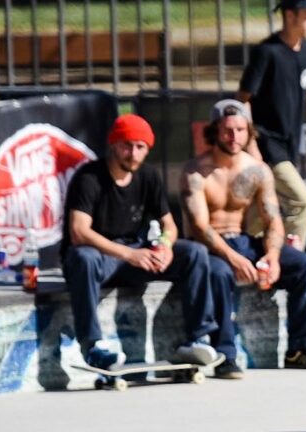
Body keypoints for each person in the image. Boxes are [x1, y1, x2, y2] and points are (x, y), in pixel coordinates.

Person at [183, 98, 306, 374]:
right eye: (228, 130)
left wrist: (272, 257)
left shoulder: (257, 170)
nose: (234, 136)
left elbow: (273, 219)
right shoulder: (196, 172)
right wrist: (234, 259)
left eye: (241, 130)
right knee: (219, 273)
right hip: (211, 248)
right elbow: (199, 227)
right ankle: (224, 355)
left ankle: (301, 347)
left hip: (242, 240)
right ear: (215, 131)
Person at [60, 113, 219, 372]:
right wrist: (128, 254)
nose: (133, 154)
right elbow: (79, 231)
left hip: (133, 254)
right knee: (83, 257)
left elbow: (170, 225)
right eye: (126, 145)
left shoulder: (148, 176)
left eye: (140, 147)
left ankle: (198, 337)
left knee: (195, 253)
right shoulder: (89, 177)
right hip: (102, 258)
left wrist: (165, 246)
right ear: (114, 144)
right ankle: (92, 347)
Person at [240, 0, 306, 244]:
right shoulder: (267, 52)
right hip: (266, 143)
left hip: (289, 142)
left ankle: (246, 257)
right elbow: (243, 100)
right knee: (302, 202)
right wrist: (251, 144)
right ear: (290, 15)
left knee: (258, 211)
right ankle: (290, 261)